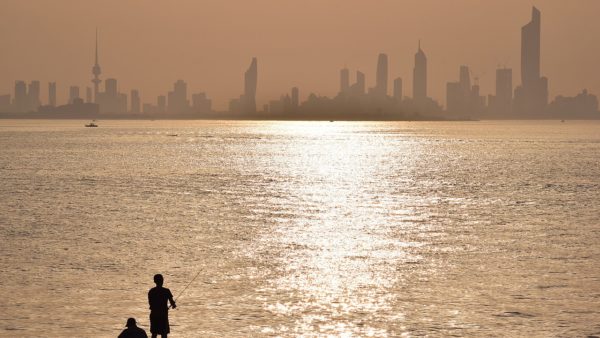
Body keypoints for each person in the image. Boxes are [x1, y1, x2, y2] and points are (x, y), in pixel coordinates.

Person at [148, 274, 176, 338]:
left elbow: (150, 303)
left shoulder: (151, 291)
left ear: (154, 281)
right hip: (163, 315)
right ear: (162, 281)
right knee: (164, 333)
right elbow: (172, 303)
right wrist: (173, 305)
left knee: (154, 333)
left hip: (154, 314)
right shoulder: (166, 291)